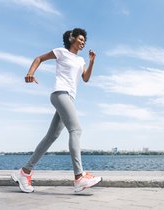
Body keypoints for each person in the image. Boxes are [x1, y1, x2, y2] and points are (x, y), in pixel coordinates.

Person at [11, 28, 102, 193]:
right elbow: (39, 58)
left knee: (51, 136)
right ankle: (79, 177)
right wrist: (30, 73)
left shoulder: (81, 60)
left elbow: (85, 78)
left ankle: (24, 172)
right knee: (76, 130)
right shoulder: (61, 52)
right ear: (71, 38)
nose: (83, 42)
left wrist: (91, 62)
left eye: (84, 41)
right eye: (80, 39)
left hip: (69, 98)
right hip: (60, 93)